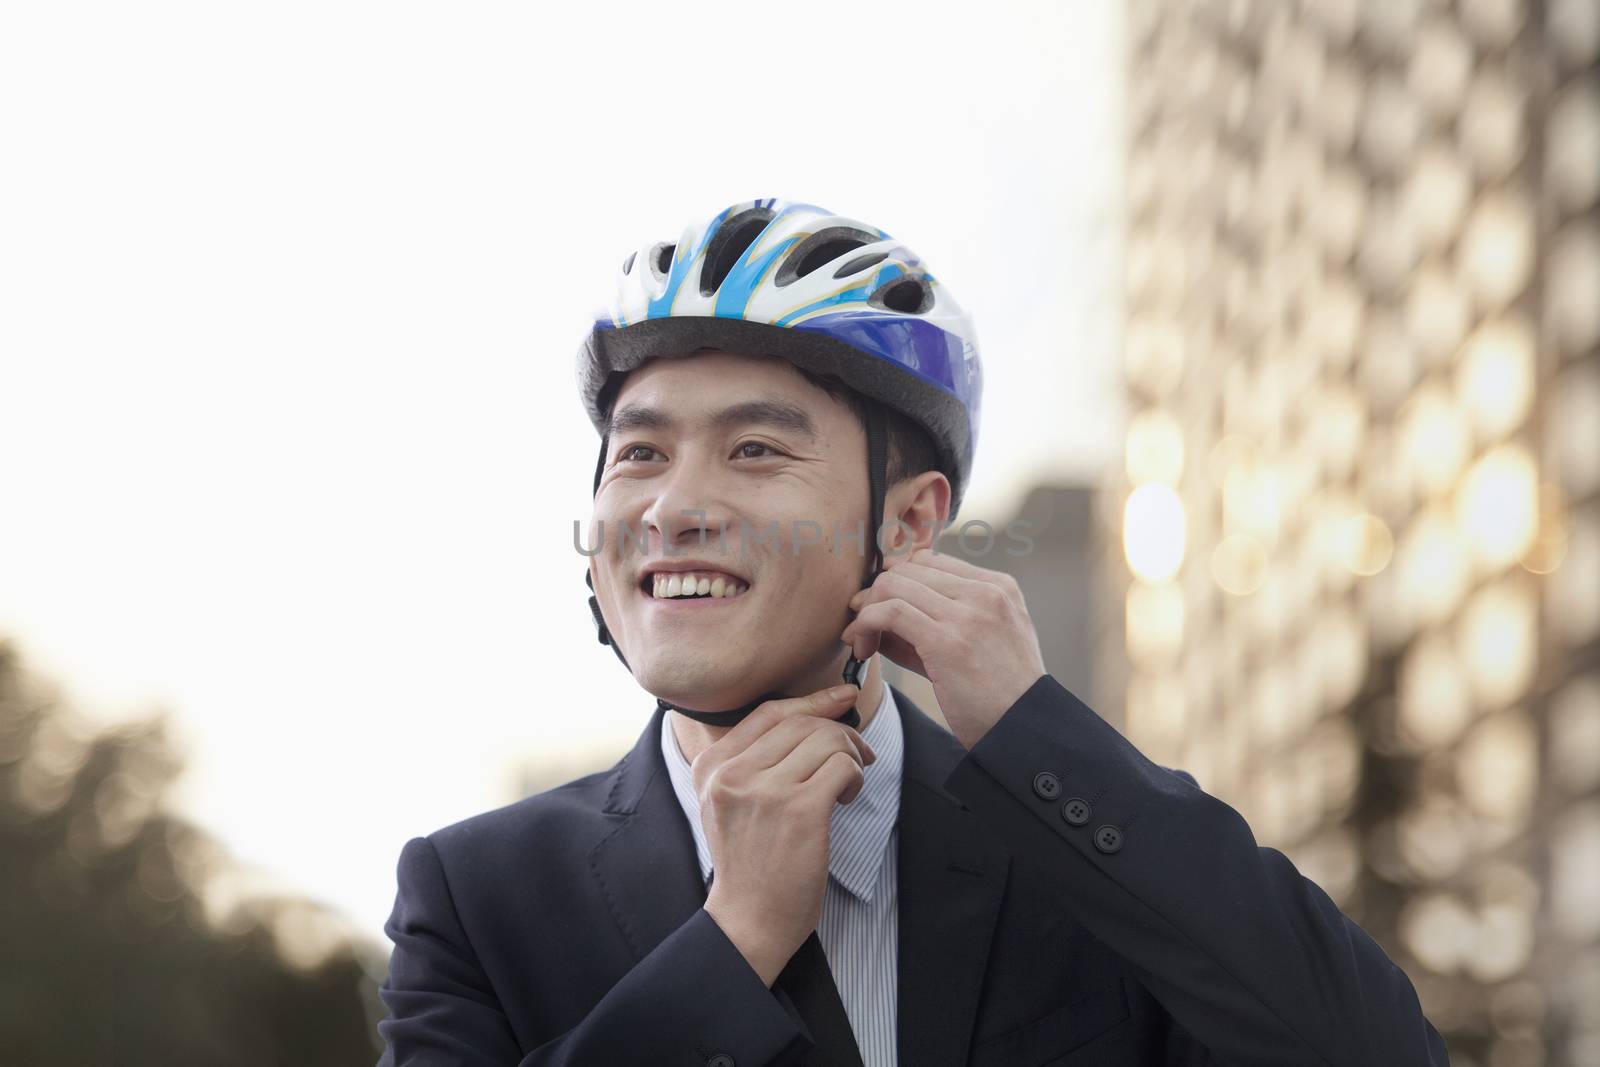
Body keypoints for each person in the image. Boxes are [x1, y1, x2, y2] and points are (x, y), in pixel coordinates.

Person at [376, 198, 1450, 1066]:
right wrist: (734, 937)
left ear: (908, 520)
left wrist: (1039, 739)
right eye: (641, 454)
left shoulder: (1080, 851)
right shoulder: (477, 894)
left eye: (753, 450)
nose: (672, 506)